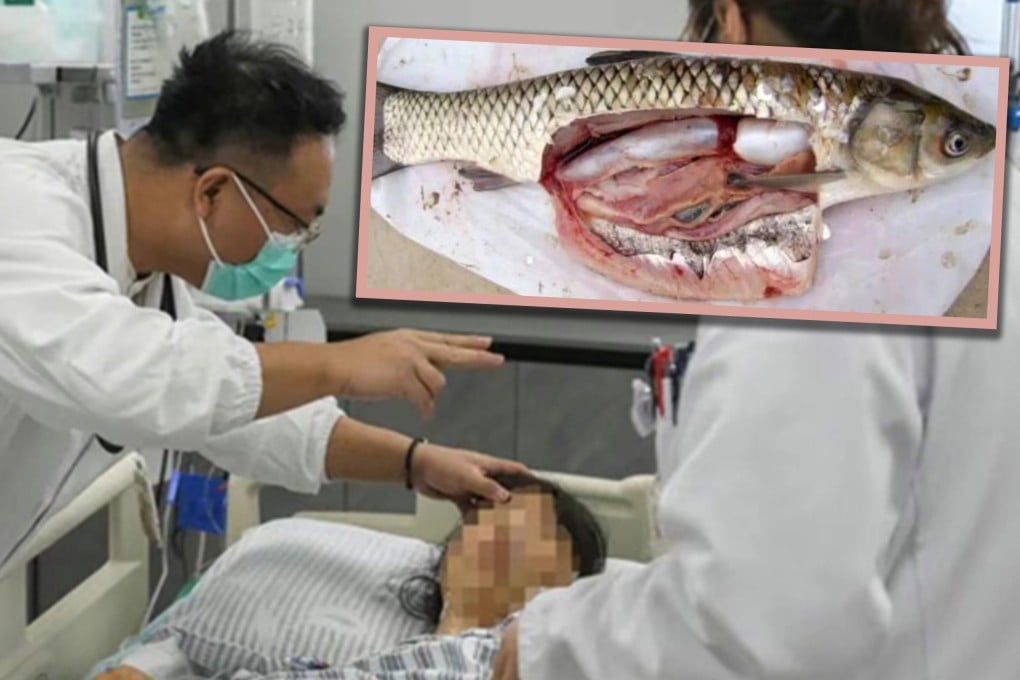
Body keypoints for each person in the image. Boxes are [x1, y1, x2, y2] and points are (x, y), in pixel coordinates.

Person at [492, 1, 1020, 679]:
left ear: (729, 22)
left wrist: (541, 649)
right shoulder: (987, 204)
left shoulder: (826, 254)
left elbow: (764, 616)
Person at [0, 29, 531, 570]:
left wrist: (416, 463)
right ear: (212, 192)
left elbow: (240, 416)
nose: (291, 247)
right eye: (294, 224)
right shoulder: (16, 212)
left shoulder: (145, 273)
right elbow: (136, 378)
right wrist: (340, 366)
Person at [91, 472, 608, 679]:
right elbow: (177, 644)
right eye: (487, 520)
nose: (497, 532)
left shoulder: (519, 655)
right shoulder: (385, 660)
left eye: (532, 531)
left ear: (566, 583)